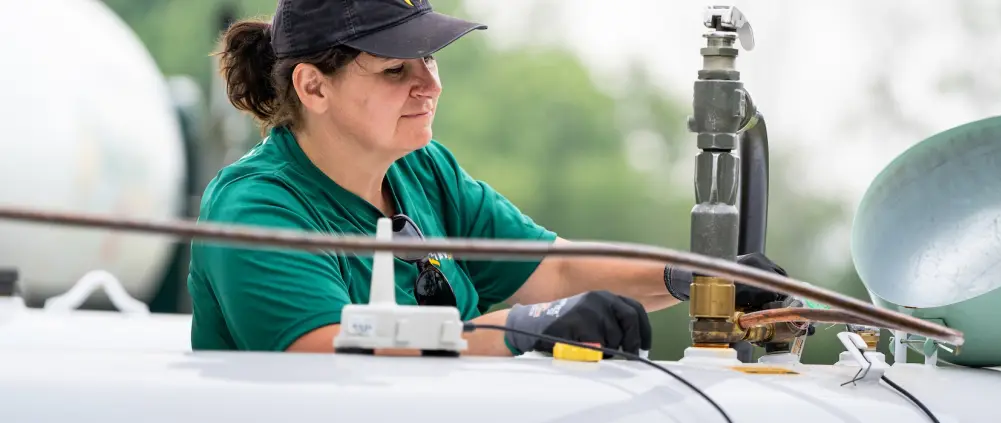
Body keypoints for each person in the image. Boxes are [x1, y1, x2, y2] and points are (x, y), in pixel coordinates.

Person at [187, 0, 791, 357]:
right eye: (396, 68)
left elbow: (553, 269)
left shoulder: (423, 171)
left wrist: (691, 276)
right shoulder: (256, 210)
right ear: (313, 86)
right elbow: (331, 355)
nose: (430, 84)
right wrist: (527, 329)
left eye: (430, 59)